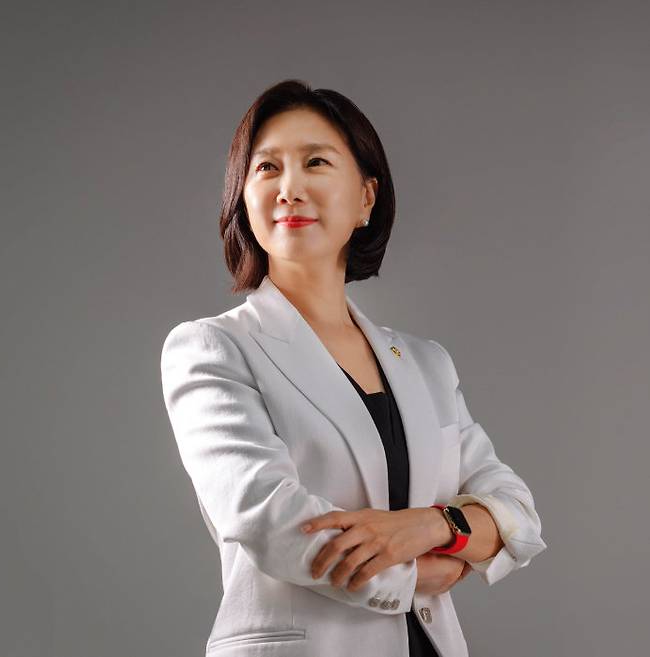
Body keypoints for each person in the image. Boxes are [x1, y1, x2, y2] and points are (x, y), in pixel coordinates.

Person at [160, 79, 547, 657]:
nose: (289, 189)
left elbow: (516, 511)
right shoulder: (212, 348)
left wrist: (431, 526)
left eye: (315, 162)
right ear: (243, 197)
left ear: (366, 198)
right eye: (267, 169)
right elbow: (269, 518)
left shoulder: (427, 364)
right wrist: (420, 572)